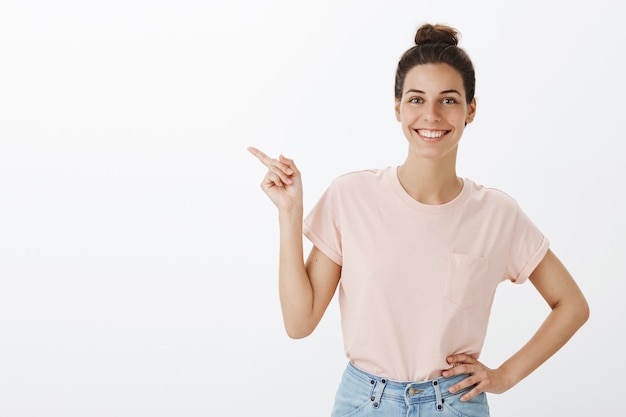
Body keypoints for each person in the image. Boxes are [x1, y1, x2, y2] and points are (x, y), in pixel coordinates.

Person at [248, 23, 589, 417]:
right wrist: (290, 213)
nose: (431, 115)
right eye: (416, 99)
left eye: (448, 100)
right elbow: (299, 322)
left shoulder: (497, 214)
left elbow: (572, 305)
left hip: (455, 404)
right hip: (364, 403)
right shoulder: (351, 197)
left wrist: (505, 376)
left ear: (470, 110)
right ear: (397, 108)